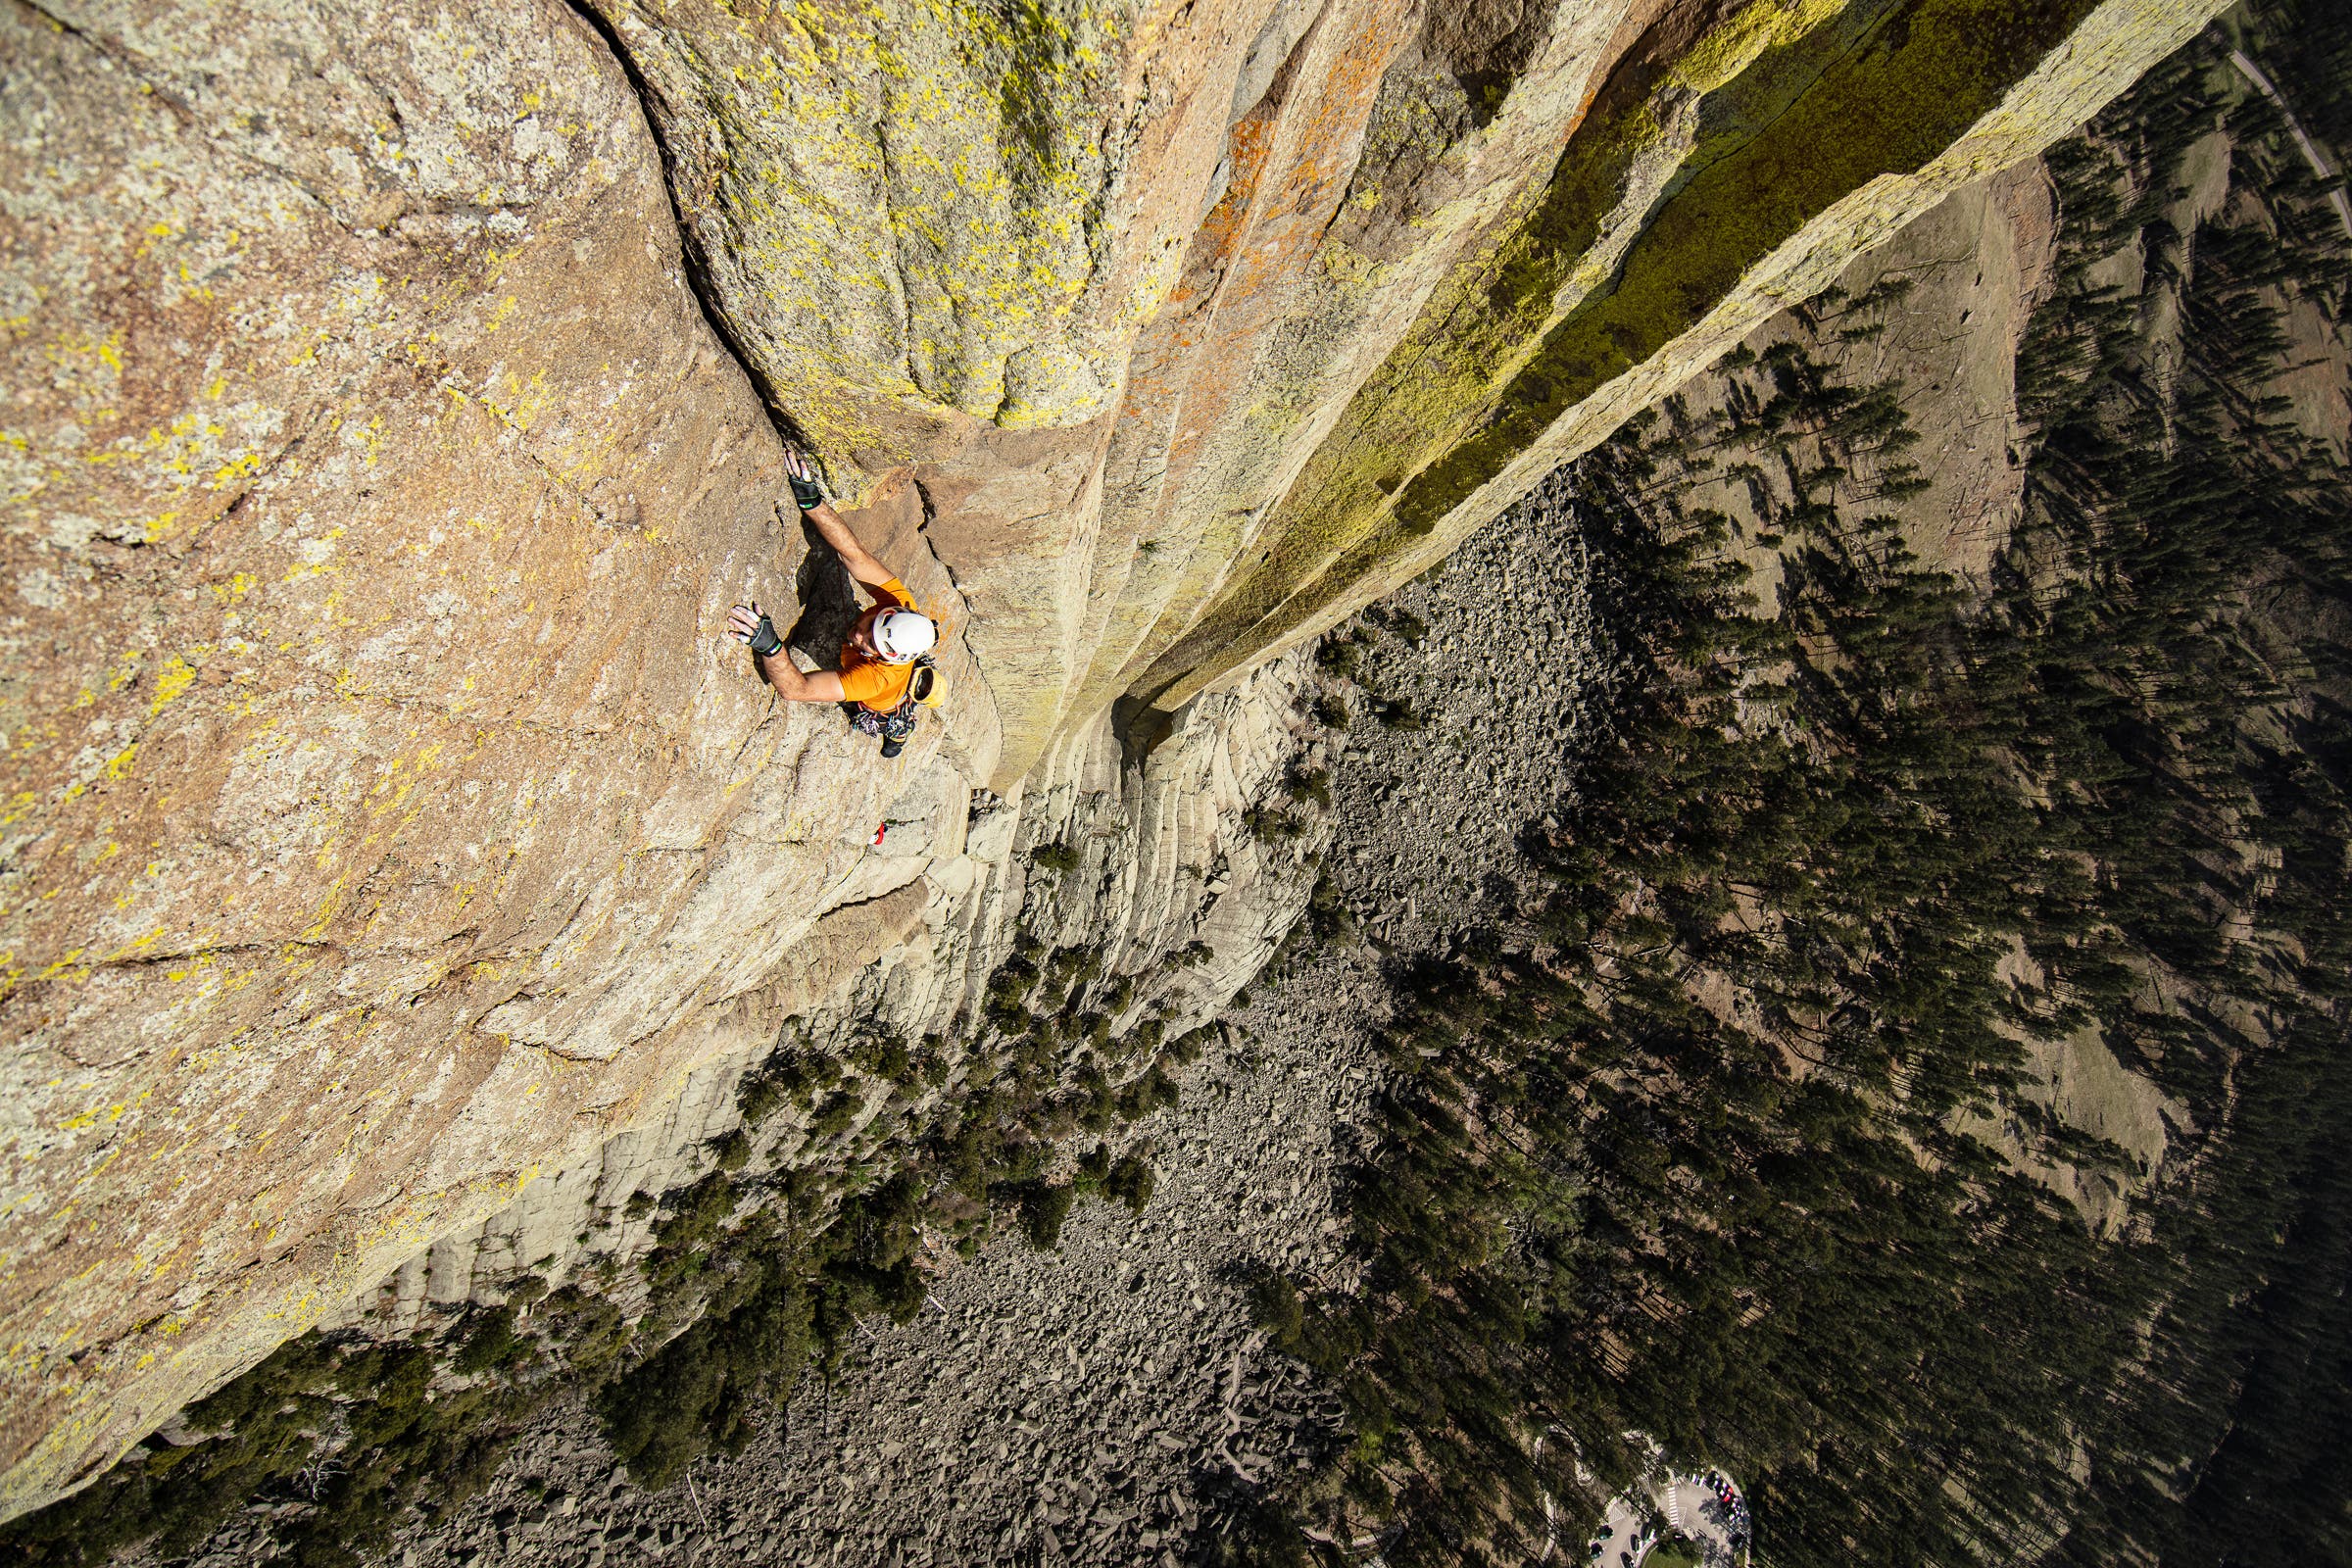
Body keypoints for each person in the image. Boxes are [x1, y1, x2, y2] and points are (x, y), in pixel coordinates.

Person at [727, 447, 939, 759]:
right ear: (890, 612)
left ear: (886, 658)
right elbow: (855, 555)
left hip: (881, 698)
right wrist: (812, 502)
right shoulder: (897, 602)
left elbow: (796, 690)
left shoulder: (870, 680)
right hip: (898, 673)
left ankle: (898, 734)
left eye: (870, 644)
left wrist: (770, 646)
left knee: (887, 719)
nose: (858, 636)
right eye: (871, 626)